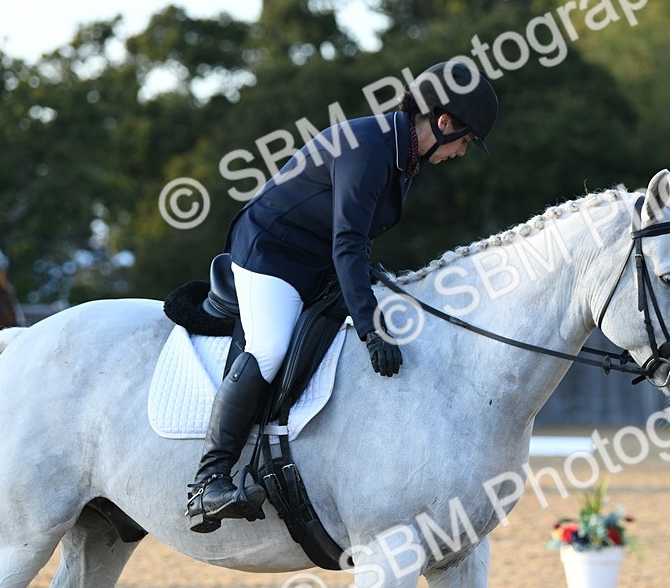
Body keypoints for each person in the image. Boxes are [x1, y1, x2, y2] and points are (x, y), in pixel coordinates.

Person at [185, 59, 499, 533]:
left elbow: (353, 241)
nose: (460, 153)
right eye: (466, 141)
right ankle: (208, 480)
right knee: (269, 347)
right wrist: (371, 329)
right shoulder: (370, 148)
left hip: (316, 258)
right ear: (444, 121)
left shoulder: (401, 154)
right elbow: (349, 240)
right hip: (271, 251)